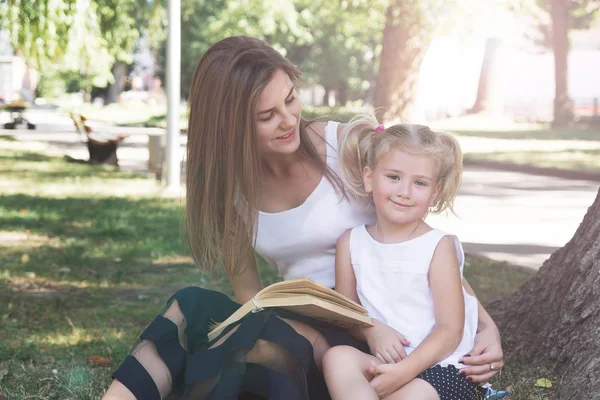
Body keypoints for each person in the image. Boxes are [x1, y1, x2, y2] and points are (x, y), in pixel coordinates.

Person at [103, 36, 503, 400]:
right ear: (230, 126)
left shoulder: (346, 147)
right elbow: (250, 298)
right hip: (314, 326)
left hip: (381, 334)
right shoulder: (231, 192)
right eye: (267, 115)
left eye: (291, 99)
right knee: (193, 305)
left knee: (251, 348)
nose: (289, 119)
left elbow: (419, 243)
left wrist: (486, 327)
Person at [322, 117, 492, 400]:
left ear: (434, 192)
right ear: (368, 178)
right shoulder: (351, 243)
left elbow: (450, 330)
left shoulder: (437, 246)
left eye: (420, 183)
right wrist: (371, 328)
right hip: (388, 359)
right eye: (393, 177)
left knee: (410, 396)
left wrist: (404, 372)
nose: (404, 191)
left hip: (442, 365)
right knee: (337, 357)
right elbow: (348, 313)